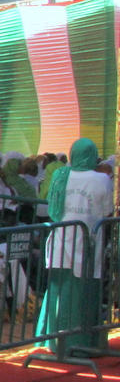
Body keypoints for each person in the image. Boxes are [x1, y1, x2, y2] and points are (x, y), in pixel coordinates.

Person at [37, 137, 112, 353]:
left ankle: (54, 341)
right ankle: (80, 344)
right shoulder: (102, 180)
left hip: (62, 238)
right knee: (82, 293)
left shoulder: (61, 176)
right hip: (88, 241)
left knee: (59, 290)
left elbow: (53, 208)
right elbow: (107, 211)